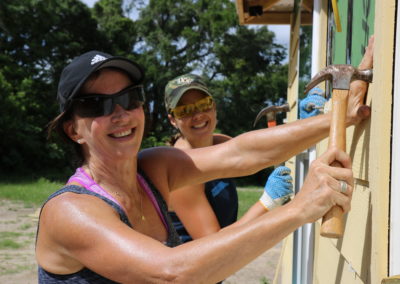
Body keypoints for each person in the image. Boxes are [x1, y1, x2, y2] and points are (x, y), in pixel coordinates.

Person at [35, 36, 373, 283]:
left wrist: (342, 116)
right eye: (98, 105)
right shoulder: (70, 211)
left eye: (129, 98)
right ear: (73, 130)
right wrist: (298, 208)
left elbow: (242, 153)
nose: (120, 114)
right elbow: (170, 273)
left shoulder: (155, 168)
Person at [164, 73, 294, 243]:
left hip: (219, 266)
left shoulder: (220, 143)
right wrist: (268, 202)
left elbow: (264, 152)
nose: (197, 115)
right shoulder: (181, 171)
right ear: (173, 120)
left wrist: (305, 122)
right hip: (198, 266)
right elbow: (214, 244)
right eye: (185, 110)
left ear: (214, 106)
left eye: (204, 104)